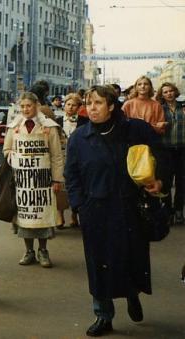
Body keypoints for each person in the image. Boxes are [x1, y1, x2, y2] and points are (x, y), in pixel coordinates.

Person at [65, 85, 167, 337]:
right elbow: (71, 174)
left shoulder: (136, 130)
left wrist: (160, 180)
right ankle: (103, 314)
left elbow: (162, 156)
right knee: (98, 265)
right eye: (88, 104)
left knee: (130, 259)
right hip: (96, 211)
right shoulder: (79, 137)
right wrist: (79, 206)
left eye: (98, 103)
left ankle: (132, 295)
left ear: (111, 105)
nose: (92, 108)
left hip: (130, 208)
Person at [3, 92, 64, 268]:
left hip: (43, 181)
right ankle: (29, 251)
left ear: (36, 105)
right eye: (22, 106)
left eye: (28, 106)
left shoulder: (49, 127)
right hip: (22, 181)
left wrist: (57, 179)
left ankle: (43, 251)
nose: (25, 109)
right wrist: (14, 156)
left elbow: (56, 155)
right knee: (25, 217)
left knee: (42, 216)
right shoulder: (14, 126)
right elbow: (7, 150)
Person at [156, 82, 185, 224]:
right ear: (162, 95)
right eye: (165, 92)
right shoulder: (159, 109)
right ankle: (168, 212)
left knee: (182, 182)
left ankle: (179, 210)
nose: (169, 94)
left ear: (175, 92)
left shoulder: (183, 108)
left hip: (182, 149)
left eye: (171, 91)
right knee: (166, 182)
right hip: (165, 150)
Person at [58, 93, 83, 229]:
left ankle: (74, 215)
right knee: (60, 188)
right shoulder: (57, 121)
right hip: (61, 157)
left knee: (75, 186)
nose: (70, 107)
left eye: (74, 105)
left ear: (79, 107)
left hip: (78, 158)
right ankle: (60, 216)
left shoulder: (84, 121)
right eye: (68, 104)